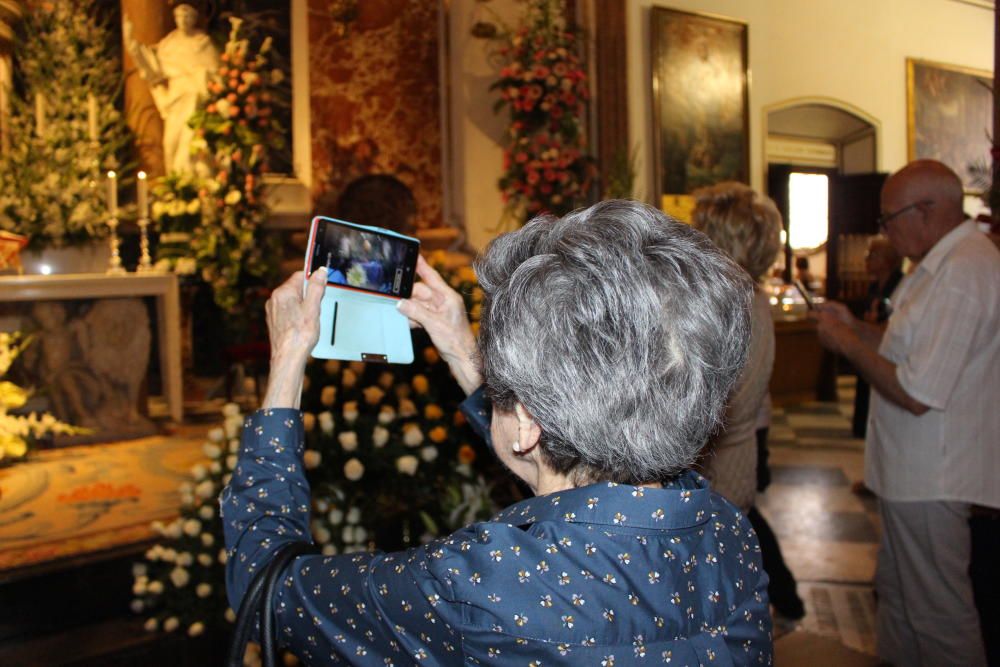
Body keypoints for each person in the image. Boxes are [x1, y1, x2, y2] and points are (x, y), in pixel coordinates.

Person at [222, 200, 772, 664]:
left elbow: (265, 591)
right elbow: (557, 450)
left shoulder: (486, 586)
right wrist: (464, 349)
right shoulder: (728, 535)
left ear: (528, 420)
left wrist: (288, 356)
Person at [814, 160, 999, 667]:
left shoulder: (965, 271)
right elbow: (906, 352)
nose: (885, 230)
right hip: (911, 472)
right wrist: (855, 325)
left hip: (934, 474)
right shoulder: (938, 265)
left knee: (939, 614)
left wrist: (848, 345)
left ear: (928, 210)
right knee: (897, 598)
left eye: (889, 218)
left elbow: (918, 390)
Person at [690, 182, 804, 621]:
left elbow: (715, 404)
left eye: (699, 228)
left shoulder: (727, 305)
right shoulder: (750, 296)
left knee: (708, 604)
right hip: (732, 465)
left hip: (714, 473)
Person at [123, 4, 220, 174]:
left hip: (197, 99)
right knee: (171, 143)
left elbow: (217, 72)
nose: (184, 20)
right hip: (176, 97)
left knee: (192, 143)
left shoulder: (203, 43)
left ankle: (192, 187)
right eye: (180, 17)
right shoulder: (168, 45)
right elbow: (150, 66)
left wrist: (202, 76)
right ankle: (176, 185)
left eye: (188, 16)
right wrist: (131, 43)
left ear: (194, 18)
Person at [851, 237, 903, 441]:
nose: (868, 260)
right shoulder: (874, 287)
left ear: (887, 260)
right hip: (871, 346)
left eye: (873, 256)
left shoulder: (900, 284)